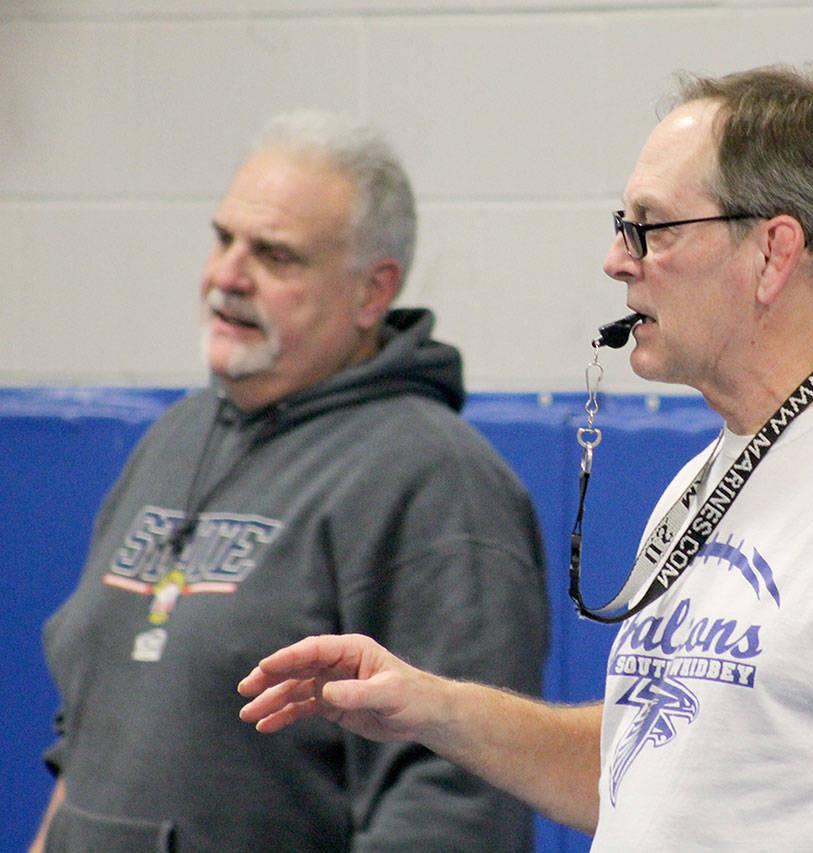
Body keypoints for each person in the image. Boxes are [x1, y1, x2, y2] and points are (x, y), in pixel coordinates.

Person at [239, 66, 813, 849]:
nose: (619, 261)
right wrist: (430, 706)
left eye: (650, 228)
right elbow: (633, 774)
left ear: (773, 253)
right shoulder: (706, 479)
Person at [34, 110, 549, 852]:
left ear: (373, 291)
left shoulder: (439, 482)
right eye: (223, 239)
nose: (226, 277)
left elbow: (453, 807)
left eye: (274, 255)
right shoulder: (174, 441)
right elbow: (86, 739)